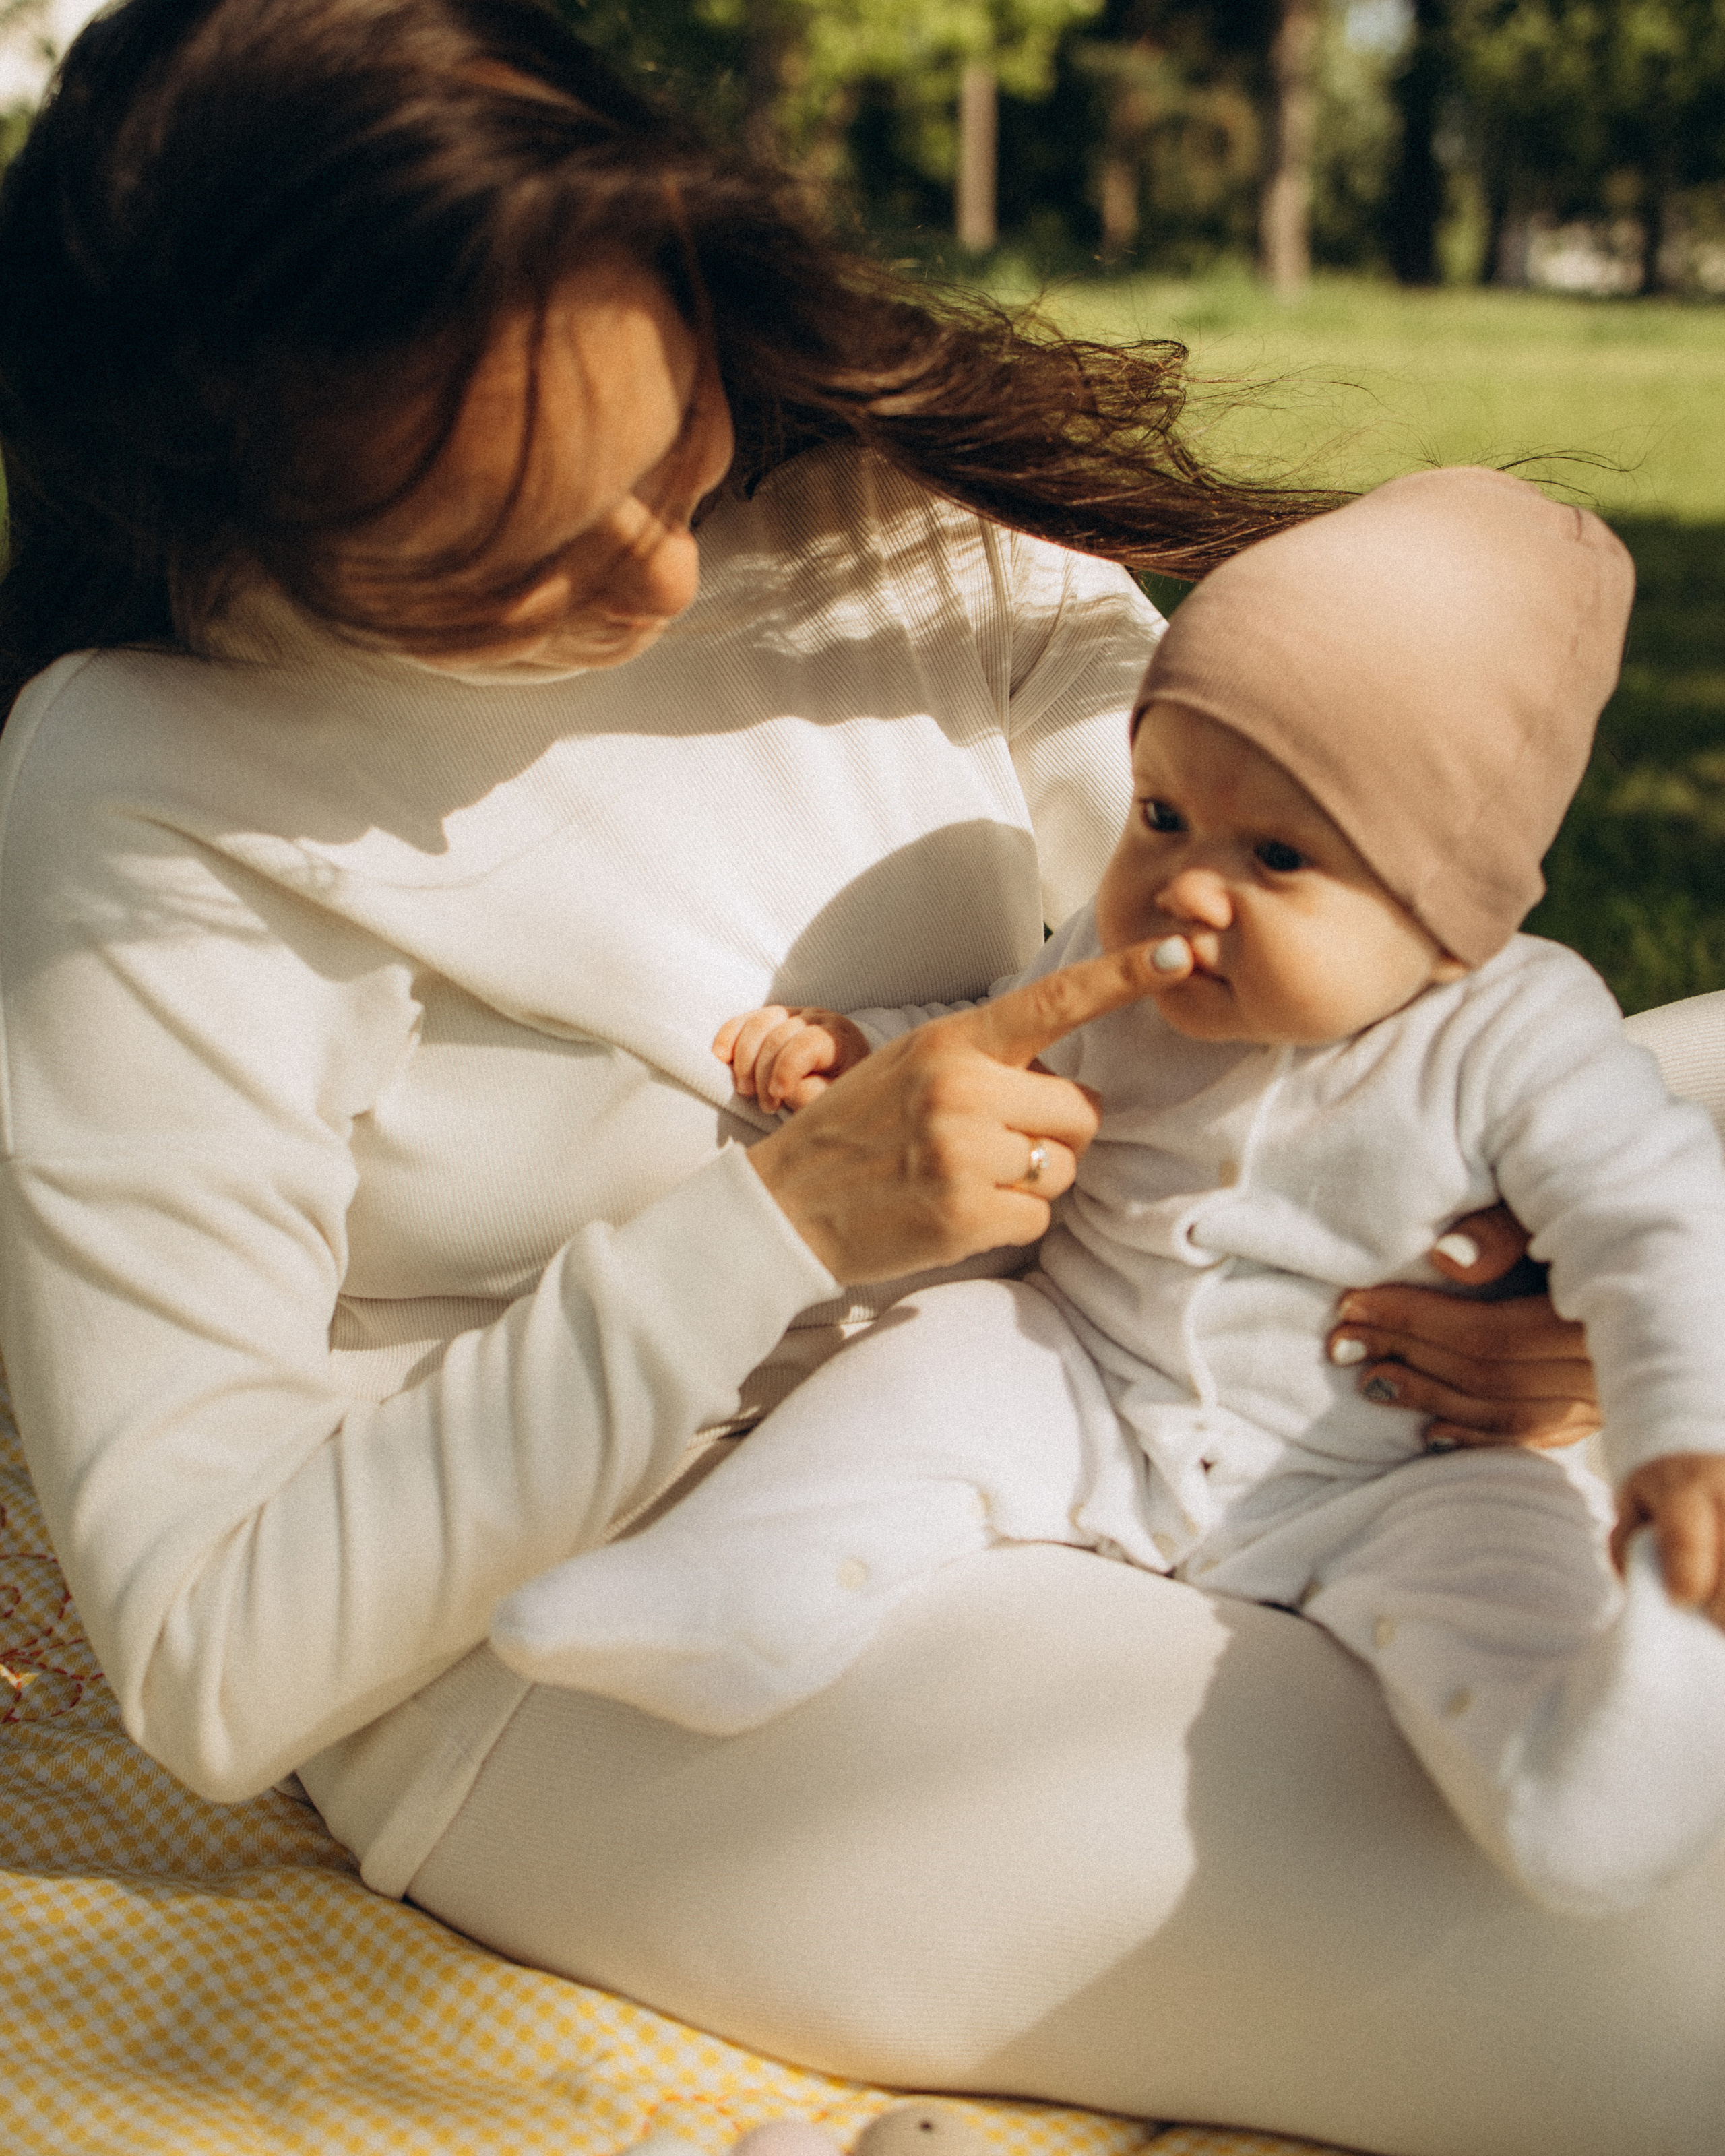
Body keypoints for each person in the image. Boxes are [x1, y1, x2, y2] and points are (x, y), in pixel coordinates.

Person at [0, 4, 1714, 2153]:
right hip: (618, 1610)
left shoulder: (904, 527)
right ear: (236, 496)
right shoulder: (149, 781)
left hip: (1208, 1374)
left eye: (675, 439)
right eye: (500, 559)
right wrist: (778, 1220)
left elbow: (1312, 1005)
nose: (653, 576)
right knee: (1662, 1954)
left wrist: (1536, 1309)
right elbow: (215, 1651)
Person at [492, 466, 1725, 1917]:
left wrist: (1680, 1434)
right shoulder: (1118, 963)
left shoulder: (1512, 1032)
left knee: (1500, 1579)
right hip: (1089, 1384)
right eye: (1159, 814)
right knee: (937, 1367)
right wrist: (859, 1054)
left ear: (1442, 909)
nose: (1185, 888)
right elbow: (1001, 1027)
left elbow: (1654, 1227)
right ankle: (727, 1595)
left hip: (1389, 1465)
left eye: (1274, 855)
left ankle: (1595, 1765)